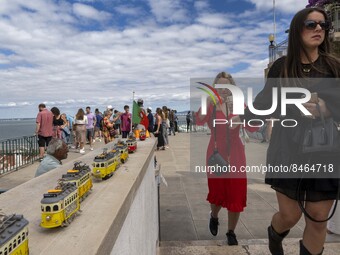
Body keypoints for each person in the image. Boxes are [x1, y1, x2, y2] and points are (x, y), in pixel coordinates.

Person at [232, 7, 340, 255]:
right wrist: (241, 116)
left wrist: (327, 108)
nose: (319, 29)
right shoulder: (282, 67)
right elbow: (264, 103)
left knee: (318, 216)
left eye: (323, 25)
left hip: (324, 148)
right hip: (288, 147)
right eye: (311, 25)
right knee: (289, 215)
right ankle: (274, 232)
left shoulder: (334, 66)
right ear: (297, 30)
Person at [196, 72, 258, 246]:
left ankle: (231, 232)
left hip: (236, 154)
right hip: (216, 153)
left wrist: (243, 114)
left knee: (236, 193)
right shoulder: (210, 105)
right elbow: (199, 121)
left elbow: (254, 127)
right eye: (220, 86)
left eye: (227, 86)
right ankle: (214, 216)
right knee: (217, 192)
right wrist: (207, 102)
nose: (223, 90)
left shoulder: (239, 105)